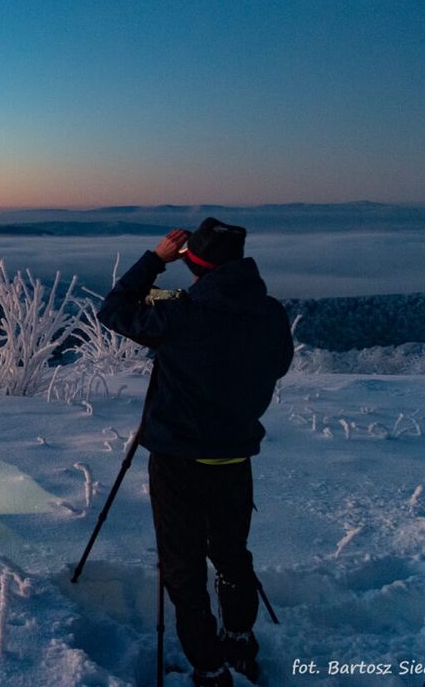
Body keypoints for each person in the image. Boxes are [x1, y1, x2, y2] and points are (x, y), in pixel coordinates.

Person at [97, 217, 294, 687]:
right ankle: (240, 641)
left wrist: (154, 260)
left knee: (183, 566)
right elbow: (279, 364)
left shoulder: (182, 316)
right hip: (233, 457)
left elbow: (113, 310)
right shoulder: (269, 314)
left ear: (195, 262)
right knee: (230, 553)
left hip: (178, 459)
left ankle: (209, 666)